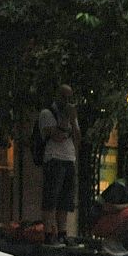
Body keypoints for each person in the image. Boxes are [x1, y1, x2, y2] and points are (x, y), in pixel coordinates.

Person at [38, 84, 80, 242]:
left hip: (69, 159)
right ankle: (48, 233)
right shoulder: (47, 113)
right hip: (54, 158)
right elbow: (56, 135)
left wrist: (73, 119)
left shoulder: (71, 116)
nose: (67, 101)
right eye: (64, 97)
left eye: (70, 98)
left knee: (65, 200)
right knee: (51, 198)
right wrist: (64, 120)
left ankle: (63, 233)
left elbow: (77, 138)